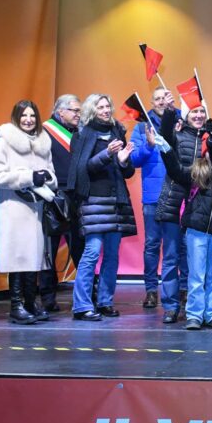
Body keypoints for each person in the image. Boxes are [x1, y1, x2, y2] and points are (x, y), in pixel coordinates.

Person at [67, 94, 137, 320]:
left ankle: (105, 301)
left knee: (112, 257)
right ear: (91, 110)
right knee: (91, 253)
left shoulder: (117, 131)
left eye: (108, 106)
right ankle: (82, 306)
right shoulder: (83, 133)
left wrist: (124, 160)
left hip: (116, 201)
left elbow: (127, 172)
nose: (106, 110)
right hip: (93, 201)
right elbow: (83, 169)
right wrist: (107, 154)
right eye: (101, 107)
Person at [0, 100, 58, 325]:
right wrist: (27, 177)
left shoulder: (43, 143)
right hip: (15, 209)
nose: (28, 120)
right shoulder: (4, 143)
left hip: (37, 208)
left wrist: (47, 177)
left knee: (33, 257)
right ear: (16, 117)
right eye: (24, 115)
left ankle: (30, 302)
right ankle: (16, 305)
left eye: (33, 116)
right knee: (17, 258)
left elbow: (52, 174)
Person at [162, 126, 212, 330]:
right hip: (196, 232)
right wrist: (165, 150)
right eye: (211, 149)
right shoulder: (195, 171)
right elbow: (175, 170)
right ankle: (194, 314)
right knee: (196, 275)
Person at [155, 103, 205, 322]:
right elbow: (164, 136)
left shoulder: (209, 139)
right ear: (186, 116)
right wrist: (168, 113)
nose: (199, 115)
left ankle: (191, 302)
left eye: (202, 111)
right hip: (174, 205)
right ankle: (170, 306)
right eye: (194, 112)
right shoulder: (177, 135)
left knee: (194, 259)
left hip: (198, 207)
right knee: (171, 257)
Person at [130, 87, 174, 310]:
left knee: (177, 246)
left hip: (177, 194)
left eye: (164, 98)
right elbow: (134, 160)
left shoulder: (180, 122)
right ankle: (150, 290)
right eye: (157, 98)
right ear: (152, 102)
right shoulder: (141, 126)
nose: (160, 102)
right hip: (153, 196)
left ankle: (177, 290)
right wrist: (148, 145)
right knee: (152, 245)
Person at [39, 94, 83, 313]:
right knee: (50, 248)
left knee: (80, 248)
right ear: (60, 111)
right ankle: (47, 297)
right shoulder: (44, 131)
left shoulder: (80, 132)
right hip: (54, 196)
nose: (78, 114)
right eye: (74, 110)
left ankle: (85, 295)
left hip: (77, 196)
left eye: (79, 110)